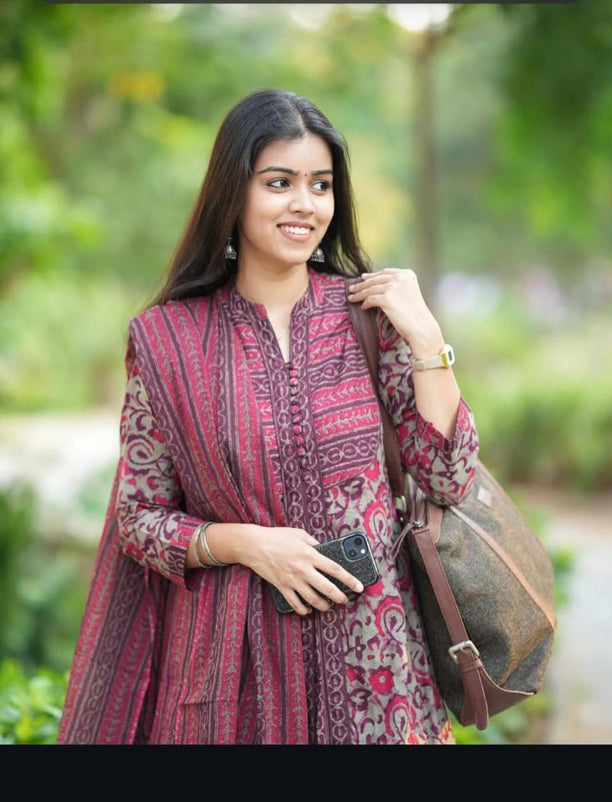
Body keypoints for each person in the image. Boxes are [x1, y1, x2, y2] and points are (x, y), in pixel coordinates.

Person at [57, 88, 479, 745]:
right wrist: (247, 544)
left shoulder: (372, 319)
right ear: (235, 192)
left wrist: (428, 340)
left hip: (377, 677)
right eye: (279, 183)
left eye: (321, 185)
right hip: (232, 678)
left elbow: (449, 477)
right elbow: (139, 518)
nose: (304, 205)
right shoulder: (168, 342)